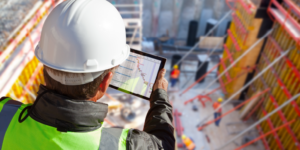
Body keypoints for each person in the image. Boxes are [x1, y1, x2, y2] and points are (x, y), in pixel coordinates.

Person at [0, 0, 175, 149]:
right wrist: (160, 99)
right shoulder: (121, 145)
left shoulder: (4, 113)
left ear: (45, 66)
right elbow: (163, 144)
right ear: (105, 82)